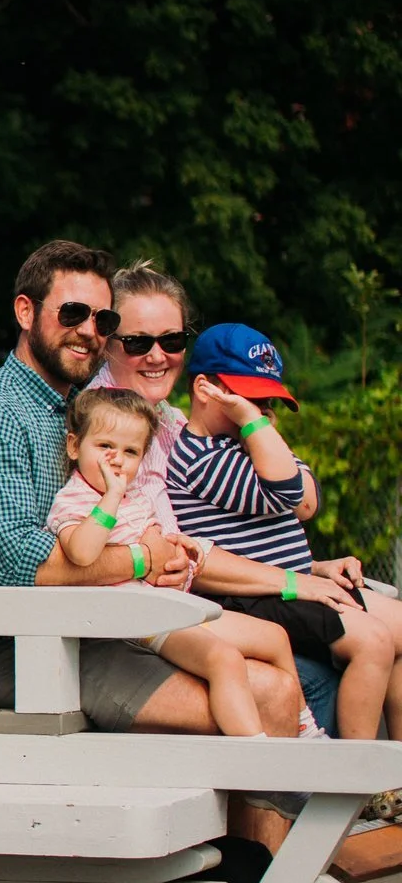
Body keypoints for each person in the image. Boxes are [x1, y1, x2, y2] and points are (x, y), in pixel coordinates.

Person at [0, 240, 301, 736]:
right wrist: (146, 557)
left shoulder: (86, 407)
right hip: (18, 649)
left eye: (103, 321)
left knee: (277, 675)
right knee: (269, 695)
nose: (88, 331)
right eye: (73, 313)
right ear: (25, 310)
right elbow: (24, 565)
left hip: (100, 626)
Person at [95, 262, 344, 736]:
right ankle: (317, 797)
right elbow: (157, 549)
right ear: (108, 341)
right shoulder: (102, 426)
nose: (157, 355)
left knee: (345, 646)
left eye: (171, 341)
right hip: (127, 627)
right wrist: (290, 581)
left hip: (184, 607)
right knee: (317, 671)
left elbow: (296, 499)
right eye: (137, 342)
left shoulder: (169, 422)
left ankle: (347, 796)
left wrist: (310, 570)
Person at [167, 324, 402, 740]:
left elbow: (308, 497)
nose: (259, 407)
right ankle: (356, 780)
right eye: (248, 397)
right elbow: (293, 492)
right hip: (256, 597)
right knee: (374, 642)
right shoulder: (200, 459)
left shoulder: (245, 445)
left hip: (293, 583)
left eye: (265, 400)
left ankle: (396, 774)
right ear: (205, 388)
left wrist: (256, 432)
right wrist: (258, 428)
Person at [49, 387, 291, 738]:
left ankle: (304, 727)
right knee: (223, 660)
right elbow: (82, 553)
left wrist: (178, 546)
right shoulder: (77, 499)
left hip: (165, 605)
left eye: (130, 451)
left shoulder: (132, 496)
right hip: (134, 621)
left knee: (274, 637)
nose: (117, 460)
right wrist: (112, 497)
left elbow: (151, 536)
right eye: (105, 447)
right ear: (74, 446)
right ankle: (254, 751)